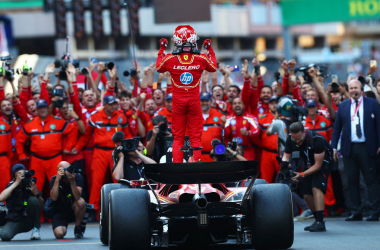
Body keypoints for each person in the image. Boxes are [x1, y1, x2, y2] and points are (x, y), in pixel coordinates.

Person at [156, 25, 217, 163]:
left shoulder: (170, 58)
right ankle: (195, 165)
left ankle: (178, 169)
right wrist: (210, 50)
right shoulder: (201, 58)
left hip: (178, 103)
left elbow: (159, 67)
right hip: (194, 103)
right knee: (195, 137)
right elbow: (213, 67)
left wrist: (162, 49)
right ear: (193, 40)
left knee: (178, 137)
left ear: (177, 41)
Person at [72, 95, 132, 213]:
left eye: (115, 103)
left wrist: (130, 150)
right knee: (96, 182)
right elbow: (86, 135)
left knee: (118, 180)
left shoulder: (121, 117)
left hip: (115, 151)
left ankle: (121, 206)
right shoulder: (95, 117)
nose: (113, 106)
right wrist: (77, 148)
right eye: (110, 104)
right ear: (104, 105)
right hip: (99, 152)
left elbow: (128, 135)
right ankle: (93, 209)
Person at [331, 79, 380, 221]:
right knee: (351, 181)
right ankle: (356, 211)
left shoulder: (372, 104)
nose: (353, 90)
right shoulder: (343, 106)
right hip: (348, 148)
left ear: (361, 89)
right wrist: (334, 146)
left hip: (367, 147)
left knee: (370, 180)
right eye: (351, 88)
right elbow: (337, 128)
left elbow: (379, 125)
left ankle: (374, 211)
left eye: (356, 88)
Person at [16, 99, 78, 194]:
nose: (42, 110)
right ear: (37, 109)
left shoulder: (57, 121)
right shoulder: (30, 124)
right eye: (40, 108)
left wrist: (68, 148)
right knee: (35, 185)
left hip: (55, 159)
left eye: (44, 107)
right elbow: (19, 139)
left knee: (57, 184)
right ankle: (38, 208)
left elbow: (73, 131)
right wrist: (21, 154)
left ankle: (56, 208)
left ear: (48, 109)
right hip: (37, 160)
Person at [281, 122, 334, 232]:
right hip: (308, 162)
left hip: (323, 162)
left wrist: (302, 174)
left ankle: (320, 222)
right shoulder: (290, 139)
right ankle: (317, 220)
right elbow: (286, 155)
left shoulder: (317, 139)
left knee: (316, 187)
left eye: (299, 138)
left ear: (304, 132)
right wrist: (285, 165)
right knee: (306, 193)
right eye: (295, 139)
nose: (297, 141)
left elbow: (318, 166)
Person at [0, 164, 45, 241]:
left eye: (23, 173)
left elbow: (42, 205)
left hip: (29, 220)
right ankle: (4, 228)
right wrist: (16, 182)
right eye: (19, 174)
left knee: (33, 200)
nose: (22, 176)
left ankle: (36, 229)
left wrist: (37, 194)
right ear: (14, 176)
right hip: (15, 220)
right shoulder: (12, 185)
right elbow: (1, 198)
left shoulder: (30, 184)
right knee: (5, 235)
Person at [50, 161, 86, 239]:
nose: (67, 171)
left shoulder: (77, 177)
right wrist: (57, 180)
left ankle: (78, 227)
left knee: (81, 201)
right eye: (64, 169)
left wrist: (72, 182)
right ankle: (64, 225)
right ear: (58, 171)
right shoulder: (54, 179)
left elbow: (77, 197)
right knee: (59, 234)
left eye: (68, 168)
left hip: (73, 209)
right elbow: (54, 198)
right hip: (60, 211)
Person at [258, 96, 286, 183]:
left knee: (284, 180)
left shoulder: (285, 118)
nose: (274, 105)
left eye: (276, 103)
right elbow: (257, 137)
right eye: (272, 103)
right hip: (267, 153)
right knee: (265, 181)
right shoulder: (263, 119)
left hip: (282, 154)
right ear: (269, 105)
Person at [199, 92, 224, 162]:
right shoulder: (193, 116)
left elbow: (226, 135)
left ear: (211, 102)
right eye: (202, 101)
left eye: (206, 101)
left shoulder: (219, 115)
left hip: (215, 156)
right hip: (198, 156)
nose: (204, 103)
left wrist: (224, 124)